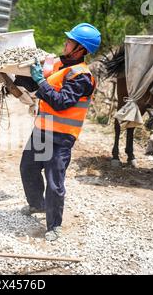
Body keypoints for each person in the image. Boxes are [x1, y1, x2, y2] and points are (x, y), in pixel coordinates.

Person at [20, 23, 101, 241]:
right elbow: (35, 85)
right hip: (41, 131)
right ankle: (37, 205)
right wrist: (12, 73)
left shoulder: (82, 76)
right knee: (28, 168)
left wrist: (39, 81)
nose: (65, 43)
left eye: (70, 41)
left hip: (62, 137)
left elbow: (61, 102)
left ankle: (54, 225)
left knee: (55, 182)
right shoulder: (56, 65)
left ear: (80, 49)